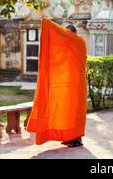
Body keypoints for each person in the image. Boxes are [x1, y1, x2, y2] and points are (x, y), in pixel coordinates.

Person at [26, 19, 87, 148]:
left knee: (75, 112)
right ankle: (67, 137)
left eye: (70, 36)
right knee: (66, 111)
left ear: (74, 34)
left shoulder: (79, 42)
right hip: (67, 83)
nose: (68, 39)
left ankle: (77, 139)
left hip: (78, 84)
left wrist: (48, 24)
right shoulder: (70, 44)